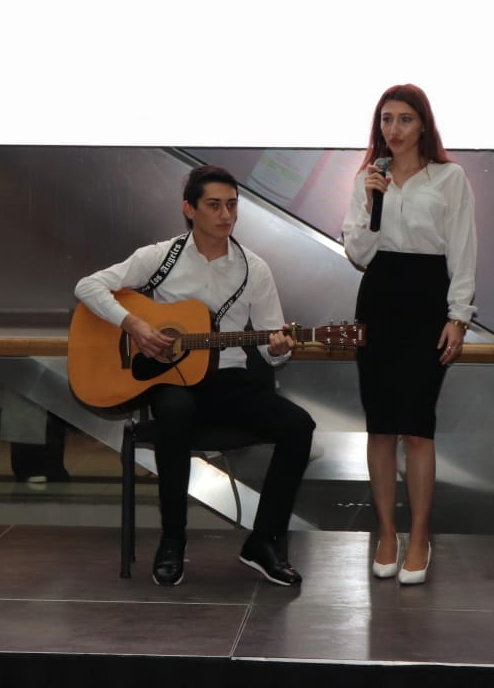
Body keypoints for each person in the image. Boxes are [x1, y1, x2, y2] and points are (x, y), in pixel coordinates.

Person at [75, 165, 314, 587]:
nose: (225, 215)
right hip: (172, 380)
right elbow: (88, 287)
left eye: (232, 205)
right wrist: (134, 324)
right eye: (214, 205)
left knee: (299, 426)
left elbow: (270, 346)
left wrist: (278, 350)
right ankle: (173, 540)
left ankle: (264, 541)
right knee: (176, 411)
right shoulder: (161, 257)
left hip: (230, 381)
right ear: (189, 209)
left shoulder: (252, 268)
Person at [340, 84, 477, 586]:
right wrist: (373, 202)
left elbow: (463, 250)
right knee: (381, 426)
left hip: (427, 300)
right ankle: (386, 533)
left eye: (403, 120)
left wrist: (458, 316)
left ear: (423, 125)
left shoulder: (450, 178)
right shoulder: (368, 178)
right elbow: (357, 252)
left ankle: (420, 536)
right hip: (379, 298)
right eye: (386, 120)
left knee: (418, 427)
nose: (393, 131)